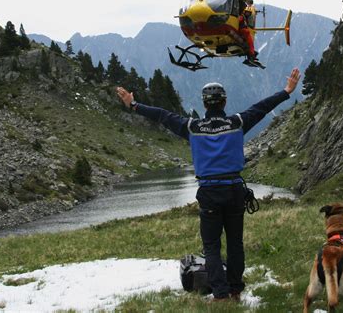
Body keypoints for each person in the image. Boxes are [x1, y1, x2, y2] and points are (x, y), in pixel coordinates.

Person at [116, 68, 301, 301]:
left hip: (209, 192)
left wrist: (134, 105)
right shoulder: (237, 122)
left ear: (205, 104)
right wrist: (287, 91)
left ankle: (220, 295)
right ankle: (235, 290)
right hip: (234, 190)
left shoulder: (192, 127)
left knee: (212, 246)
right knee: (235, 243)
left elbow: (162, 115)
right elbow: (261, 108)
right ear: (224, 102)